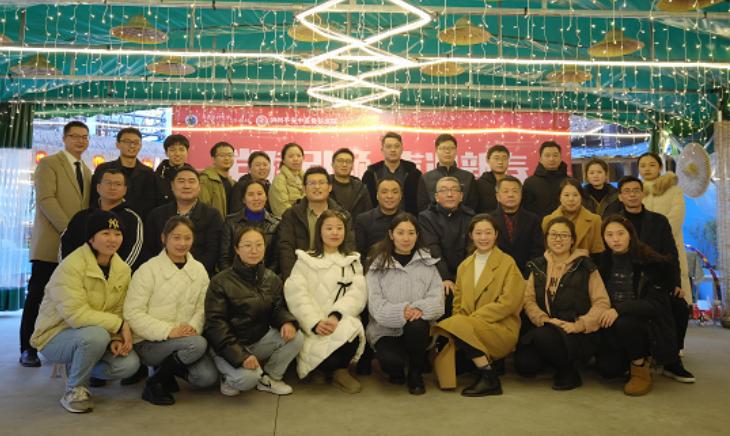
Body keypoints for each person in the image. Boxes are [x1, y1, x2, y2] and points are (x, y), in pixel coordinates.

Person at [30, 210, 140, 413]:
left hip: (95, 334)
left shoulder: (122, 270)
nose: (112, 239)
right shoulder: (71, 266)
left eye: (117, 234)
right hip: (55, 335)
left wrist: (116, 338)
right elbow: (76, 315)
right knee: (96, 336)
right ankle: (74, 389)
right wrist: (119, 325)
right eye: (105, 233)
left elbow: (117, 309)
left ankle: (79, 364)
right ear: (91, 238)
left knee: (129, 364)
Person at [20, 120, 92, 368]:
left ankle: (59, 346)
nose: (80, 141)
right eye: (75, 136)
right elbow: (46, 200)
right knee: (38, 295)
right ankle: (27, 348)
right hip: (51, 243)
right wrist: (70, 230)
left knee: (68, 297)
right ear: (64, 138)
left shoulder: (87, 170)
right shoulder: (49, 164)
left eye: (85, 137)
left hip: (75, 248)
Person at [124, 216, 218, 405]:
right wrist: (169, 331)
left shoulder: (199, 269)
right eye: (176, 237)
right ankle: (154, 383)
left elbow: (203, 307)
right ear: (164, 238)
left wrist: (192, 327)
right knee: (198, 344)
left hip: (186, 339)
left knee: (206, 377)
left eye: (187, 238)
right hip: (150, 342)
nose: (182, 243)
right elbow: (132, 313)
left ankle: (166, 373)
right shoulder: (148, 270)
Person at [612, 175, 694, 382]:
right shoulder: (614, 221)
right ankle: (635, 356)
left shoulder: (659, 221)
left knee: (679, 307)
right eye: (627, 191)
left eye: (636, 190)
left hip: (655, 280)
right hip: (625, 280)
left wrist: (675, 283)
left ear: (643, 194)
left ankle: (671, 360)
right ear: (620, 196)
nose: (632, 195)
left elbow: (671, 253)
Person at [594, 216, 688, 396]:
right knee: (608, 370)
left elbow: (655, 305)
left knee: (626, 322)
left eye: (621, 233)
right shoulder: (602, 261)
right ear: (603, 238)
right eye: (609, 235)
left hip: (644, 322)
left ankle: (640, 366)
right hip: (611, 322)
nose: (615, 239)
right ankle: (628, 357)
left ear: (630, 234)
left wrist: (619, 309)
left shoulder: (650, 261)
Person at [205, 227, 304, 397]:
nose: (254, 250)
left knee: (296, 337)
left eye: (259, 245)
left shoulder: (272, 278)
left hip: (257, 340)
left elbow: (277, 308)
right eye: (247, 245)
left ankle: (270, 378)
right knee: (247, 380)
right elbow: (216, 325)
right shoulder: (220, 281)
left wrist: (286, 321)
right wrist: (240, 356)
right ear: (236, 249)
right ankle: (227, 376)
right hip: (227, 346)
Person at [433, 215, 525, 396]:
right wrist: (464, 323)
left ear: (496, 235)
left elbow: (509, 303)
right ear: (471, 236)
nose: (483, 237)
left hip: (499, 327)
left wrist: (472, 320)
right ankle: (485, 367)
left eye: (488, 232)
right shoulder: (464, 266)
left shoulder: (507, 263)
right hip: (470, 327)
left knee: (455, 325)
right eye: (478, 233)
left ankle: (489, 378)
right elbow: (458, 303)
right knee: (455, 327)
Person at [514, 217, 610, 390]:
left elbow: (601, 302)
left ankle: (568, 371)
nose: (558, 239)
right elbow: (528, 300)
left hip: (576, 331)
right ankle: (556, 358)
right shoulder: (537, 266)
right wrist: (544, 319)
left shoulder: (586, 266)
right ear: (546, 239)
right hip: (547, 326)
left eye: (564, 235)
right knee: (525, 366)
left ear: (573, 240)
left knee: (542, 336)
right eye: (554, 235)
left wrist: (580, 325)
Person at [284, 210, 367, 393]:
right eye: (329, 228)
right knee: (318, 349)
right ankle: (321, 369)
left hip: (339, 321)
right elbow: (297, 295)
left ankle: (340, 371)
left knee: (352, 328)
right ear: (319, 231)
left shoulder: (352, 261)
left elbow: (358, 293)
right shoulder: (305, 260)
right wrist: (314, 322)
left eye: (339, 228)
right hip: (313, 326)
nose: (334, 233)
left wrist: (336, 315)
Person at [366, 213, 444, 395]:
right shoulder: (377, 265)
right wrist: (402, 311)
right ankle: (399, 367)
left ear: (417, 235)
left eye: (411, 233)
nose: (406, 238)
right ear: (391, 234)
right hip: (386, 330)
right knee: (393, 364)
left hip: (418, 328)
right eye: (400, 233)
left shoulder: (428, 263)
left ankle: (415, 374)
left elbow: (437, 298)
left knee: (417, 325)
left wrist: (419, 309)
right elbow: (375, 305)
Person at [145, 165, 223, 276]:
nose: (186, 186)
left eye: (192, 181)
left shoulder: (212, 215)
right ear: (172, 186)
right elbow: (149, 250)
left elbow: (212, 253)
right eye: (181, 181)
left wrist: (189, 274)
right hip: (161, 275)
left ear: (199, 187)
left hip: (198, 275)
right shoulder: (156, 215)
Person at [278, 166, 354, 279]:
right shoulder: (291, 215)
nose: (317, 187)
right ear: (304, 189)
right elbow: (286, 250)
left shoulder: (343, 215)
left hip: (334, 275)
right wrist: (293, 279)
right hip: (302, 274)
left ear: (330, 187)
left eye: (321, 183)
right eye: (312, 183)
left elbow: (349, 247)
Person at [61, 168, 144, 271]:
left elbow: (133, 252)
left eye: (118, 184)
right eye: (108, 183)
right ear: (98, 187)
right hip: (76, 274)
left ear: (125, 190)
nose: (112, 187)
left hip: (113, 277)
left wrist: (111, 274)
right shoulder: (82, 216)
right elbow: (66, 243)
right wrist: (69, 269)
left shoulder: (132, 219)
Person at [638, 153, 692, 306]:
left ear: (660, 167)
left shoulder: (673, 190)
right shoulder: (636, 191)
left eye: (652, 165)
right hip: (642, 247)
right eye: (642, 166)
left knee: (673, 289)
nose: (647, 169)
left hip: (669, 245)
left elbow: (677, 215)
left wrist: (657, 239)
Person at [418, 176, 474, 312]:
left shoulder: (471, 216)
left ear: (461, 196)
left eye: (454, 190)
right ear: (436, 197)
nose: (450, 194)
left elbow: (471, 250)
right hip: (439, 273)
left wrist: (462, 279)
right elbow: (433, 249)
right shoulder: (426, 217)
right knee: (447, 293)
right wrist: (445, 278)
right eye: (444, 190)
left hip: (466, 273)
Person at [91, 127, 160, 219]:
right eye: (127, 142)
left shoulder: (148, 173)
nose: (132, 146)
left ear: (140, 146)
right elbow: (94, 199)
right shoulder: (104, 169)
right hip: (106, 221)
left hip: (137, 222)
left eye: (136, 142)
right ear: (117, 144)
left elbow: (151, 204)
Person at [362, 132, 429, 216]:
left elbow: (422, 202)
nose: (393, 150)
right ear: (382, 150)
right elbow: (365, 204)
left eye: (396, 146)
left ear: (402, 149)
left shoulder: (414, 174)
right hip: (377, 221)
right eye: (388, 146)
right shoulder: (370, 174)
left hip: (407, 220)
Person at [219, 180, 280, 272]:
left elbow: (277, 259)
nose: (256, 198)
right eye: (251, 194)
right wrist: (234, 278)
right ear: (243, 199)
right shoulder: (231, 222)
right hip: (234, 276)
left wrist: (265, 277)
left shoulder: (276, 223)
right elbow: (224, 258)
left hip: (266, 277)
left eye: (260, 194)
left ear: (266, 197)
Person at [488, 175, 543, 277]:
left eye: (515, 191)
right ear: (498, 196)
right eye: (506, 191)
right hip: (495, 275)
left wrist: (529, 273)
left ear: (521, 195)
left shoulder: (533, 220)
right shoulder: (488, 220)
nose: (511, 195)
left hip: (526, 275)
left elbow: (537, 250)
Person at [541, 178, 604, 254]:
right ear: (560, 198)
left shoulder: (595, 220)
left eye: (575, 195)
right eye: (566, 195)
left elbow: (598, 252)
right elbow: (547, 251)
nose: (571, 199)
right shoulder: (548, 220)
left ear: (581, 197)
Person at [423, 134, 478, 211]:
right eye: (443, 148)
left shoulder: (468, 177)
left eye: (451, 148)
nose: (447, 152)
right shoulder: (426, 178)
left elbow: (472, 205)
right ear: (436, 150)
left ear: (456, 150)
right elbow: (423, 206)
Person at [354, 178, 402, 258]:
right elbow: (359, 253)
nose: (389, 196)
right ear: (377, 195)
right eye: (384, 192)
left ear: (400, 196)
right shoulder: (363, 220)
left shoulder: (408, 220)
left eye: (395, 192)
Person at [522, 140, 570, 218]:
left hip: (566, 224)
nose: (551, 159)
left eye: (555, 155)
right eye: (547, 155)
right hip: (538, 225)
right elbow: (526, 210)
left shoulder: (569, 182)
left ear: (561, 158)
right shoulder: (530, 183)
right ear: (540, 159)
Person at [330, 147, 372, 219]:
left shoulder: (361, 188)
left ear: (352, 166)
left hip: (356, 226)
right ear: (332, 164)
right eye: (340, 161)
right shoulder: (325, 185)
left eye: (348, 161)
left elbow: (368, 213)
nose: (344, 164)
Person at [199, 141, 237, 218]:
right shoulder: (204, 179)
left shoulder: (234, 183)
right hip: (214, 223)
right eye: (222, 155)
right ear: (213, 159)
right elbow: (203, 207)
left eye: (230, 155)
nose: (227, 158)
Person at [269, 142, 304, 217]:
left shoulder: (306, 179)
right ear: (283, 160)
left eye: (299, 156)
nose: (295, 159)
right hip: (288, 221)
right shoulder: (279, 180)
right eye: (291, 156)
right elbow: (282, 209)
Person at [475, 144, 510, 214]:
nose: (500, 162)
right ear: (488, 160)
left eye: (504, 158)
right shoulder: (478, 184)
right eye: (496, 158)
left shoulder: (512, 183)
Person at [155, 134, 189, 204]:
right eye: (172, 150)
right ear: (166, 153)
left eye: (181, 149)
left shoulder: (193, 175)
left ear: (187, 152)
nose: (177, 154)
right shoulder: (157, 176)